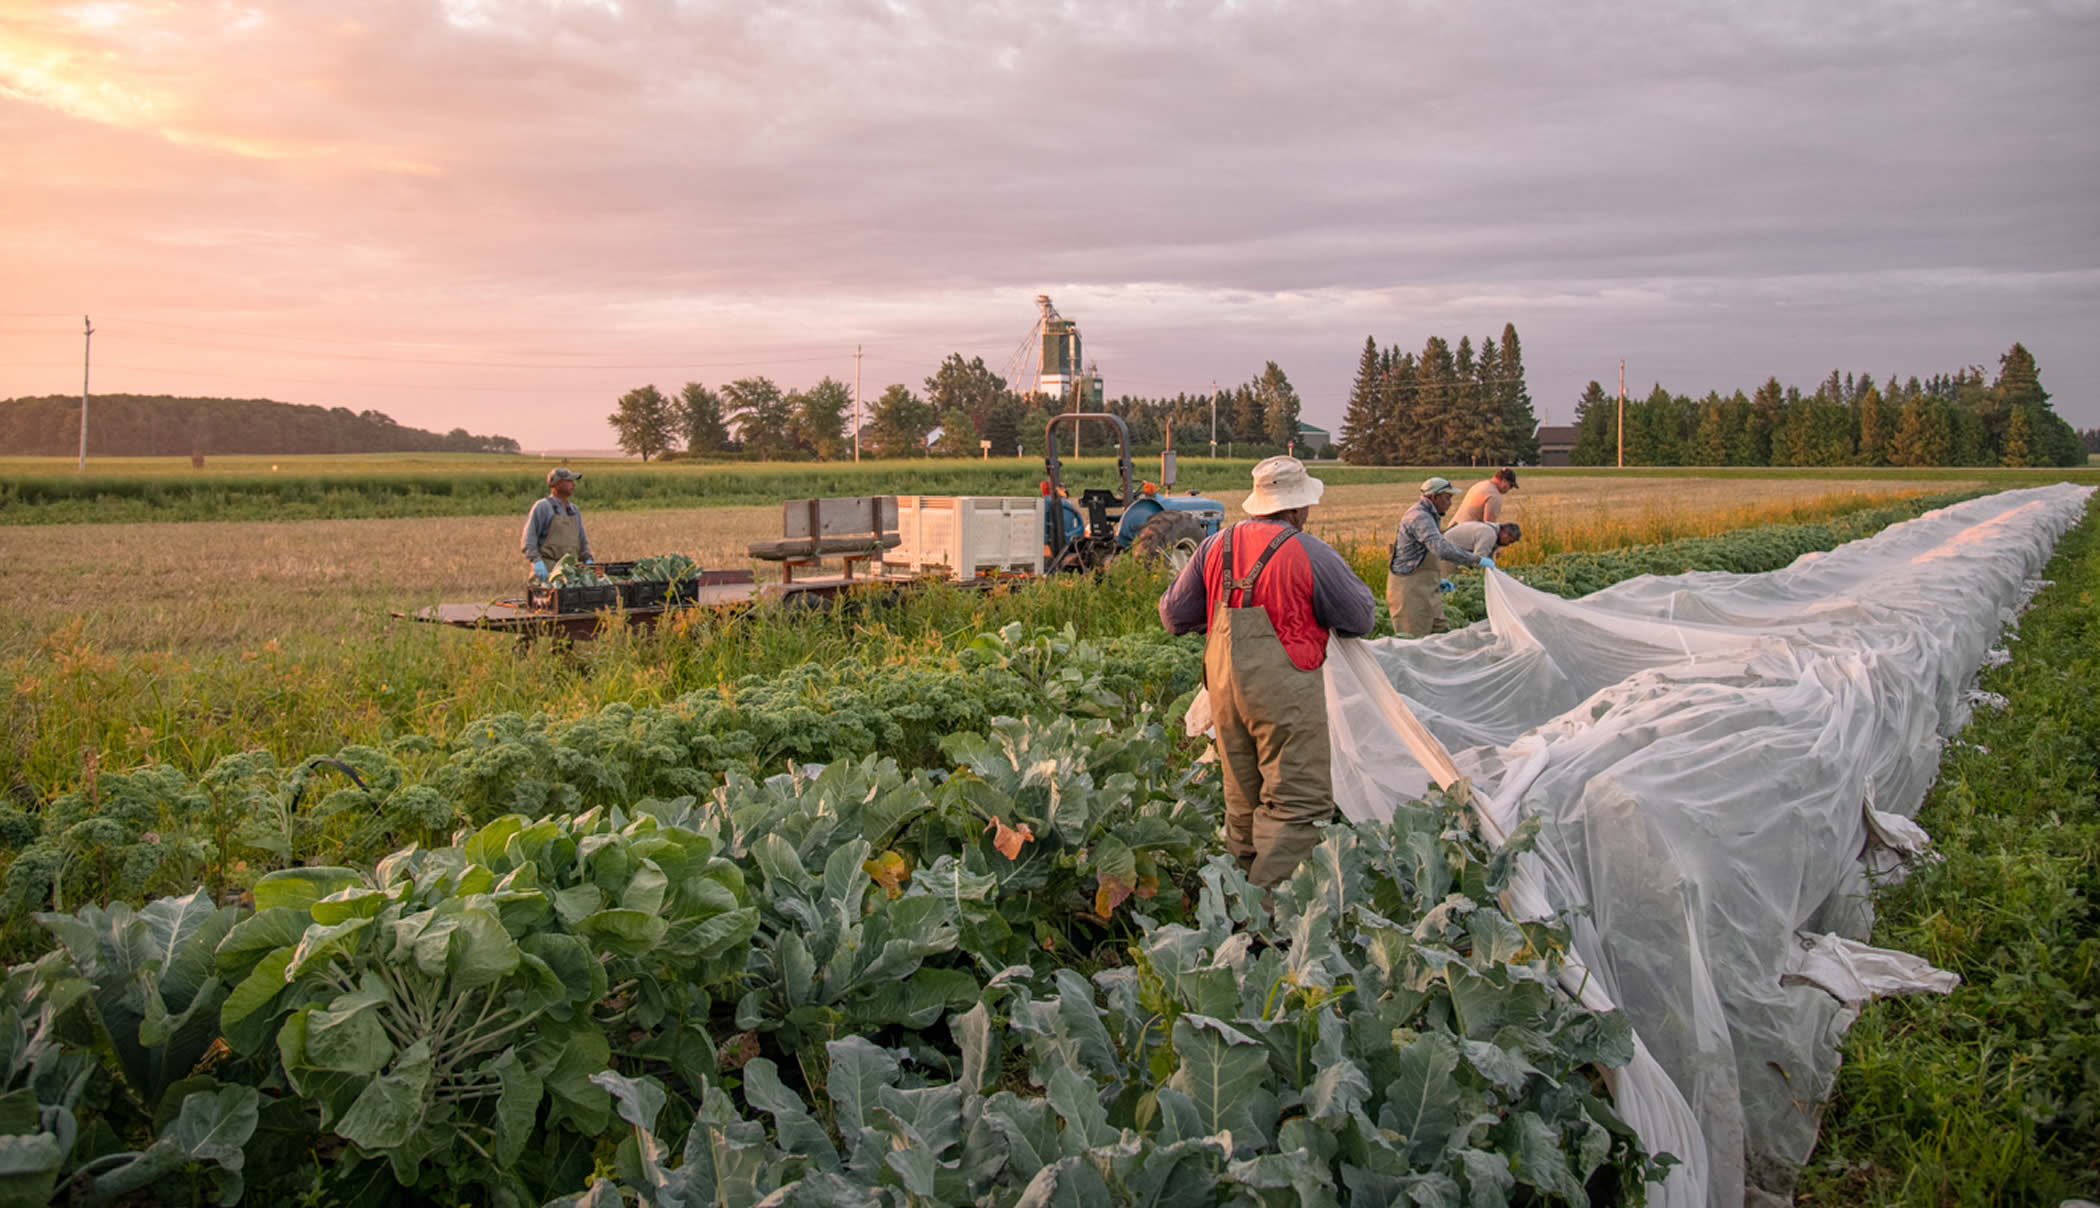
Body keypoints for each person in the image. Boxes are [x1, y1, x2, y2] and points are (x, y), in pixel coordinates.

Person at [1158, 457, 1376, 889]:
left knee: (1242, 797)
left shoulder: (1213, 547)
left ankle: (1237, 901)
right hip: (1283, 689)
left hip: (1222, 686)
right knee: (1296, 802)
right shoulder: (1309, 551)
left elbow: (1172, 616)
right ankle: (1270, 921)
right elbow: (1359, 617)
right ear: (1297, 508)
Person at [1388, 477, 1494, 637]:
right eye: (1447, 498)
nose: (1450, 503)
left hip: (1427, 589)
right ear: (1433, 497)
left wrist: (1436, 580)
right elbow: (1441, 548)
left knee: (1441, 636)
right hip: (1410, 590)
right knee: (1414, 640)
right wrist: (1476, 559)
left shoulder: (1430, 515)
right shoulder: (1419, 517)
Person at [522, 467, 592, 579]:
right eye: (569, 481)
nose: (573, 485)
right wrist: (536, 561)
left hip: (570, 571)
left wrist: (587, 558)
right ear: (557, 484)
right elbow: (529, 539)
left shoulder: (574, 510)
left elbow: (581, 540)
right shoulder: (543, 507)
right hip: (548, 570)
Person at [1450, 467, 1518, 526]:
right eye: (1511, 486)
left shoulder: (1480, 485)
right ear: (1504, 481)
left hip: (1452, 529)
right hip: (1464, 535)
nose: (1509, 489)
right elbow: (1489, 525)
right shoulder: (1494, 495)